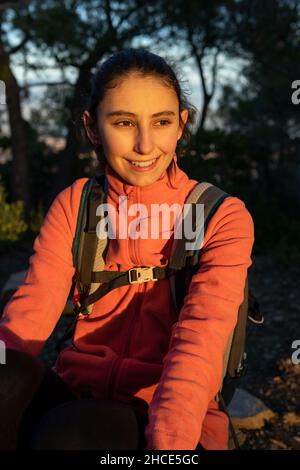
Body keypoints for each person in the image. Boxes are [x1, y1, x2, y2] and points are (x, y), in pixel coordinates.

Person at [0, 48, 254, 450]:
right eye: (123, 122)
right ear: (93, 127)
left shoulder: (221, 216)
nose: (144, 144)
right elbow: (27, 318)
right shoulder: (77, 204)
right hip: (76, 395)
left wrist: (169, 449)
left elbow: (200, 341)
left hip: (169, 418)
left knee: (70, 432)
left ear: (180, 124)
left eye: (162, 122)